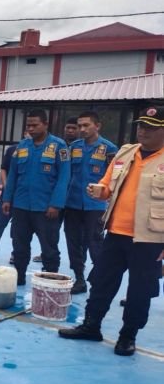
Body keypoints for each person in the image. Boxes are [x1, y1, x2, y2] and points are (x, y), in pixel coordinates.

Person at [58, 105, 164, 356]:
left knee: (139, 291)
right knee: (101, 283)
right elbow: (107, 183)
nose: (143, 131)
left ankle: (128, 336)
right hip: (116, 233)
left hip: (149, 240)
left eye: (151, 128)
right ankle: (91, 326)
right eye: (141, 126)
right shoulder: (126, 153)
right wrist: (101, 190)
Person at [1, 109, 70, 285]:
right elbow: (13, 175)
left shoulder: (59, 146)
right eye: (28, 125)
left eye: (35, 125)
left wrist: (56, 204)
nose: (31, 129)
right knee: (19, 246)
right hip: (21, 206)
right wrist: (7, 199)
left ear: (46, 124)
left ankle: (51, 280)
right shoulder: (22, 146)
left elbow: (64, 178)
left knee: (49, 248)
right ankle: (20, 277)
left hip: (45, 208)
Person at [63, 111, 117, 294]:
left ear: (97, 126)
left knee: (96, 244)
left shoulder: (110, 149)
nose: (82, 129)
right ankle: (79, 279)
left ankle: (100, 281)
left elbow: (115, 180)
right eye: (80, 126)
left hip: (96, 206)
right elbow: (66, 174)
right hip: (72, 203)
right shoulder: (74, 147)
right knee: (73, 243)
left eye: (86, 125)